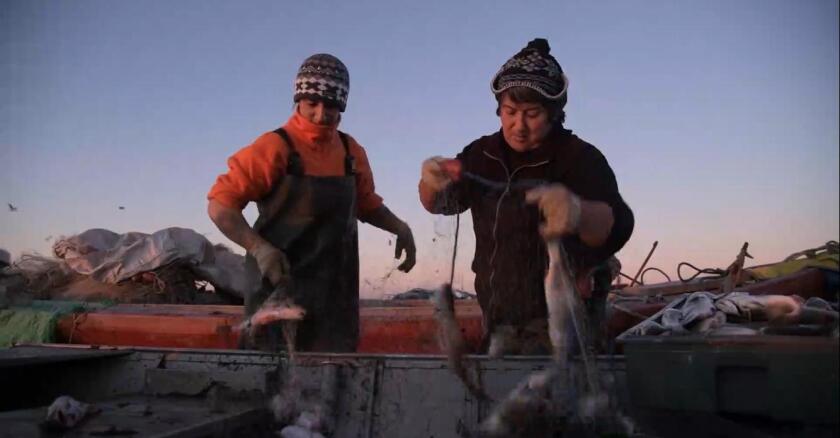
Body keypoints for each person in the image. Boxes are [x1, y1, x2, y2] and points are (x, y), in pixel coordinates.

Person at [418, 39, 634, 355]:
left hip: (567, 321)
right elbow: (438, 204)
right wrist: (431, 182)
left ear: (554, 113)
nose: (518, 126)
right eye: (510, 112)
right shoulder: (482, 154)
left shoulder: (579, 158)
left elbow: (618, 224)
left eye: (532, 114)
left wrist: (578, 212)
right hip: (499, 317)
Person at [208, 53, 416, 352]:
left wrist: (399, 227)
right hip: (276, 293)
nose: (320, 114)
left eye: (330, 106)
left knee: (334, 376)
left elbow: (366, 204)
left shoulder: (350, 151)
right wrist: (258, 247)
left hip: (334, 298)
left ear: (343, 106)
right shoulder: (275, 147)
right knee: (270, 380)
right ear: (298, 101)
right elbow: (220, 204)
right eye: (311, 104)